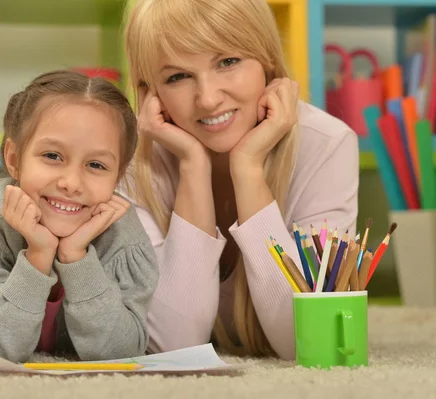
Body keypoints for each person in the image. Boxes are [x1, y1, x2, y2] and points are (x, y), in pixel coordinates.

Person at [121, 0, 359, 360]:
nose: (209, 98)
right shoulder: (131, 160)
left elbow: (310, 343)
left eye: (227, 62)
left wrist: (248, 170)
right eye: (177, 77)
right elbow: (174, 345)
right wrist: (192, 167)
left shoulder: (326, 144)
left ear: (267, 60)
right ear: (149, 91)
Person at [0, 70, 159, 363]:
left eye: (96, 164)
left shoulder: (123, 235)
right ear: (14, 159)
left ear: (118, 175)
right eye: (53, 156)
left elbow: (121, 352)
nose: (71, 183)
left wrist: (76, 258)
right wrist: (38, 256)